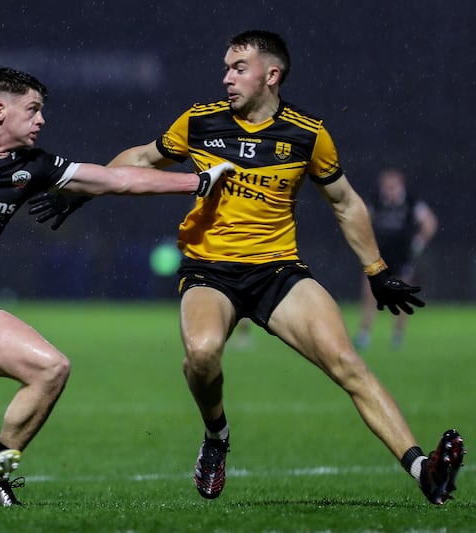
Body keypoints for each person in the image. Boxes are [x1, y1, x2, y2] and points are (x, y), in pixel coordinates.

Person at [38, 31, 464, 505]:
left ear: (271, 75)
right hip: (209, 272)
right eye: (226, 67)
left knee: (348, 365)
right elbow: (141, 158)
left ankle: (424, 470)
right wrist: (83, 190)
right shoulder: (201, 121)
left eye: (238, 67)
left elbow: (344, 202)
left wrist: (377, 270)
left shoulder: (307, 133)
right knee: (201, 355)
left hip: (278, 273)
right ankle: (217, 438)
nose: (226, 77)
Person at [0, 67, 234, 506]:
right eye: (33, 110)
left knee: (50, 369)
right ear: (0, 110)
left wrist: (198, 181)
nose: (41, 120)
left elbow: (116, 180)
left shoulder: (31, 165)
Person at [353, 167, 438, 350]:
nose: (389, 190)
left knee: (400, 296)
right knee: (370, 294)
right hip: (377, 255)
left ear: (401, 186)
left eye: (393, 186)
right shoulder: (375, 201)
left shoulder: (411, 202)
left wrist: (419, 242)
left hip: (401, 256)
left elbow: (430, 222)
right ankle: (364, 334)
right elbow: (359, 220)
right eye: (386, 186)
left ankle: (398, 336)